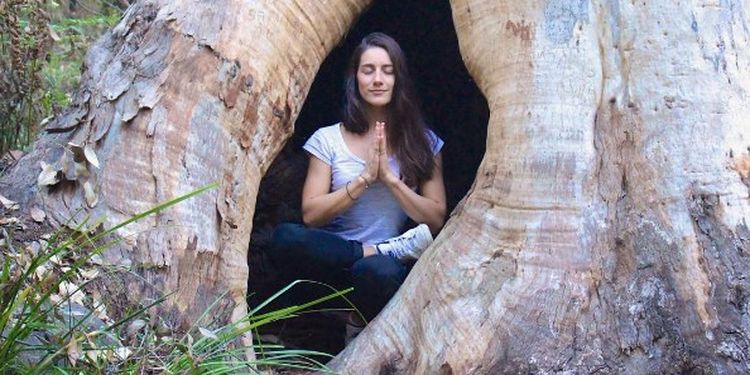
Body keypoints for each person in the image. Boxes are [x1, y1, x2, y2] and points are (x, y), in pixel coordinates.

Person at [270, 32, 446, 340]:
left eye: (387, 70)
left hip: (384, 267)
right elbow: (312, 215)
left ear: (398, 79)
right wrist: (364, 179)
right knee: (286, 238)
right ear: (355, 78)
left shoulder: (424, 142)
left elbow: (435, 218)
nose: (378, 79)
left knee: (377, 271)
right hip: (330, 260)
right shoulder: (328, 139)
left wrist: (390, 181)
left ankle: (358, 313)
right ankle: (368, 254)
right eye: (368, 70)